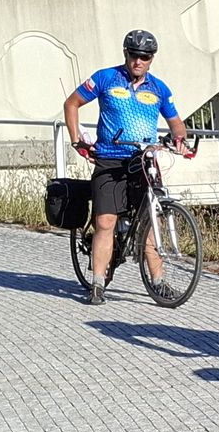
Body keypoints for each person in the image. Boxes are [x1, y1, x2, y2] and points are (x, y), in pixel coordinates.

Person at [64, 29, 189, 305]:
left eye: (145, 57)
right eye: (134, 55)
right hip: (109, 159)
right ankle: (97, 284)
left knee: (151, 220)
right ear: (126, 54)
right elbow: (71, 103)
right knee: (105, 221)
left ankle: (158, 282)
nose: (138, 61)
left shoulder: (159, 88)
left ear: (152, 58)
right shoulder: (106, 78)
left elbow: (176, 123)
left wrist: (180, 139)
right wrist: (76, 140)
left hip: (143, 161)